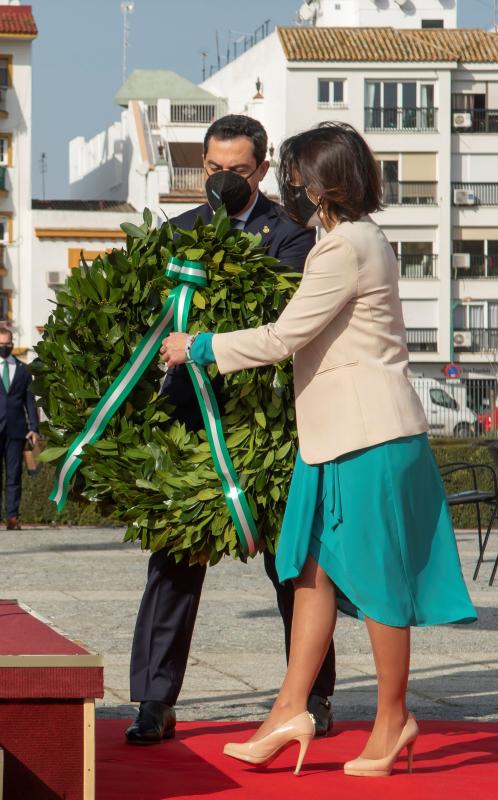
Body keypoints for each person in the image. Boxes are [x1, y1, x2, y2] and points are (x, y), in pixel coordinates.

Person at [161, 122, 477, 777]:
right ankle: (287, 710)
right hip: (336, 434)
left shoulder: (343, 248)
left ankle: (393, 721)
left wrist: (200, 346)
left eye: (295, 178)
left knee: (380, 584)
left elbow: (286, 335)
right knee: (309, 574)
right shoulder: (359, 239)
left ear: (322, 181)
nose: (289, 189)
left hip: (368, 436)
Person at [126, 115, 336, 745]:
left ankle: (312, 696)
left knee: (291, 565)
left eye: (235, 172)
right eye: (211, 170)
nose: (221, 182)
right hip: (192, 425)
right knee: (172, 566)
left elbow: (280, 314)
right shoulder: (175, 233)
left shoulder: (293, 235)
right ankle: (153, 702)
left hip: (268, 426)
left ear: (263, 171)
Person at [0, 327, 39, 530]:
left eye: (8, 344)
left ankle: (12, 517)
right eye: (1, 344)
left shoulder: (24, 370)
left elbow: (29, 401)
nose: (5, 347)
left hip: (16, 430)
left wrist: (34, 427)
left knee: (14, 476)